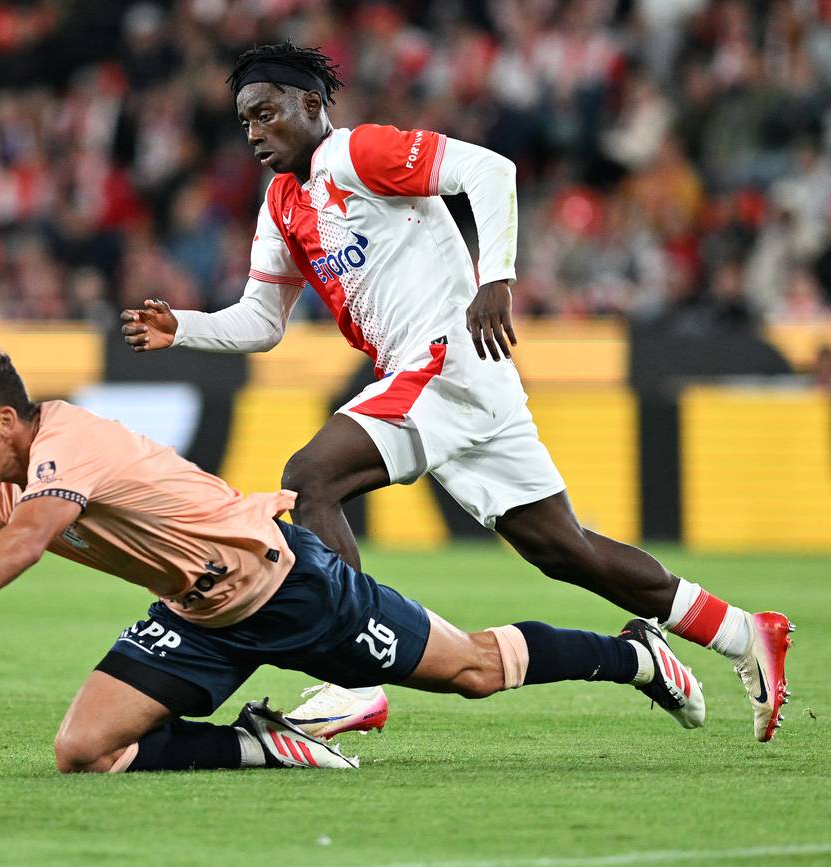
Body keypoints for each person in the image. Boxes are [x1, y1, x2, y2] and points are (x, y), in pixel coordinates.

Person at [118, 43, 792, 743]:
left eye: (266, 113)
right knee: (565, 549)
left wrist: (495, 277)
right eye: (245, 122)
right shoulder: (283, 203)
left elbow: (489, 169)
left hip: (444, 359)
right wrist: (183, 327)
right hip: (454, 377)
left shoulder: (357, 154)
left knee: (311, 478)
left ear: (312, 105)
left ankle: (355, 681)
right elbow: (262, 322)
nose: (254, 133)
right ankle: (744, 633)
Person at [0, 343, 704, 774]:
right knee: (84, 750)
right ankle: (265, 742)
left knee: (471, 671)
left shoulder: (70, 443)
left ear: (5, 419)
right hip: (198, 615)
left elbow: (29, 541)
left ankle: (634, 654)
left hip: (288, 584)